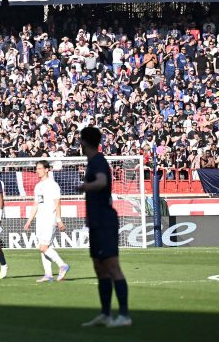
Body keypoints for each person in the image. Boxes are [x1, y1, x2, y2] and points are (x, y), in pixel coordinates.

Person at [78, 127, 131, 328]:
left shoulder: (98, 161)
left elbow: (101, 182)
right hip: (96, 222)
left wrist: (85, 187)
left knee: (112, 266)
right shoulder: (93, 162)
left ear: (83, 142)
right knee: (99, 267)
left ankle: (124, 316)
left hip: (105, 222)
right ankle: (106, 314)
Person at [24, 160, 70, 283]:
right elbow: (36, 204)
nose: (37, 171)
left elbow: (58, 203)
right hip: (40, 219)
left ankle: (62, 264)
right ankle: (48, 274)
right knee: (43, 246)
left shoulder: (52, 185)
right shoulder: (38, 186)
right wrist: (29, 220)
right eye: (37, 168)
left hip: (50, 219)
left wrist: (59, 220)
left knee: (43, 247)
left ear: (46, 169)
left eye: (40, 168)